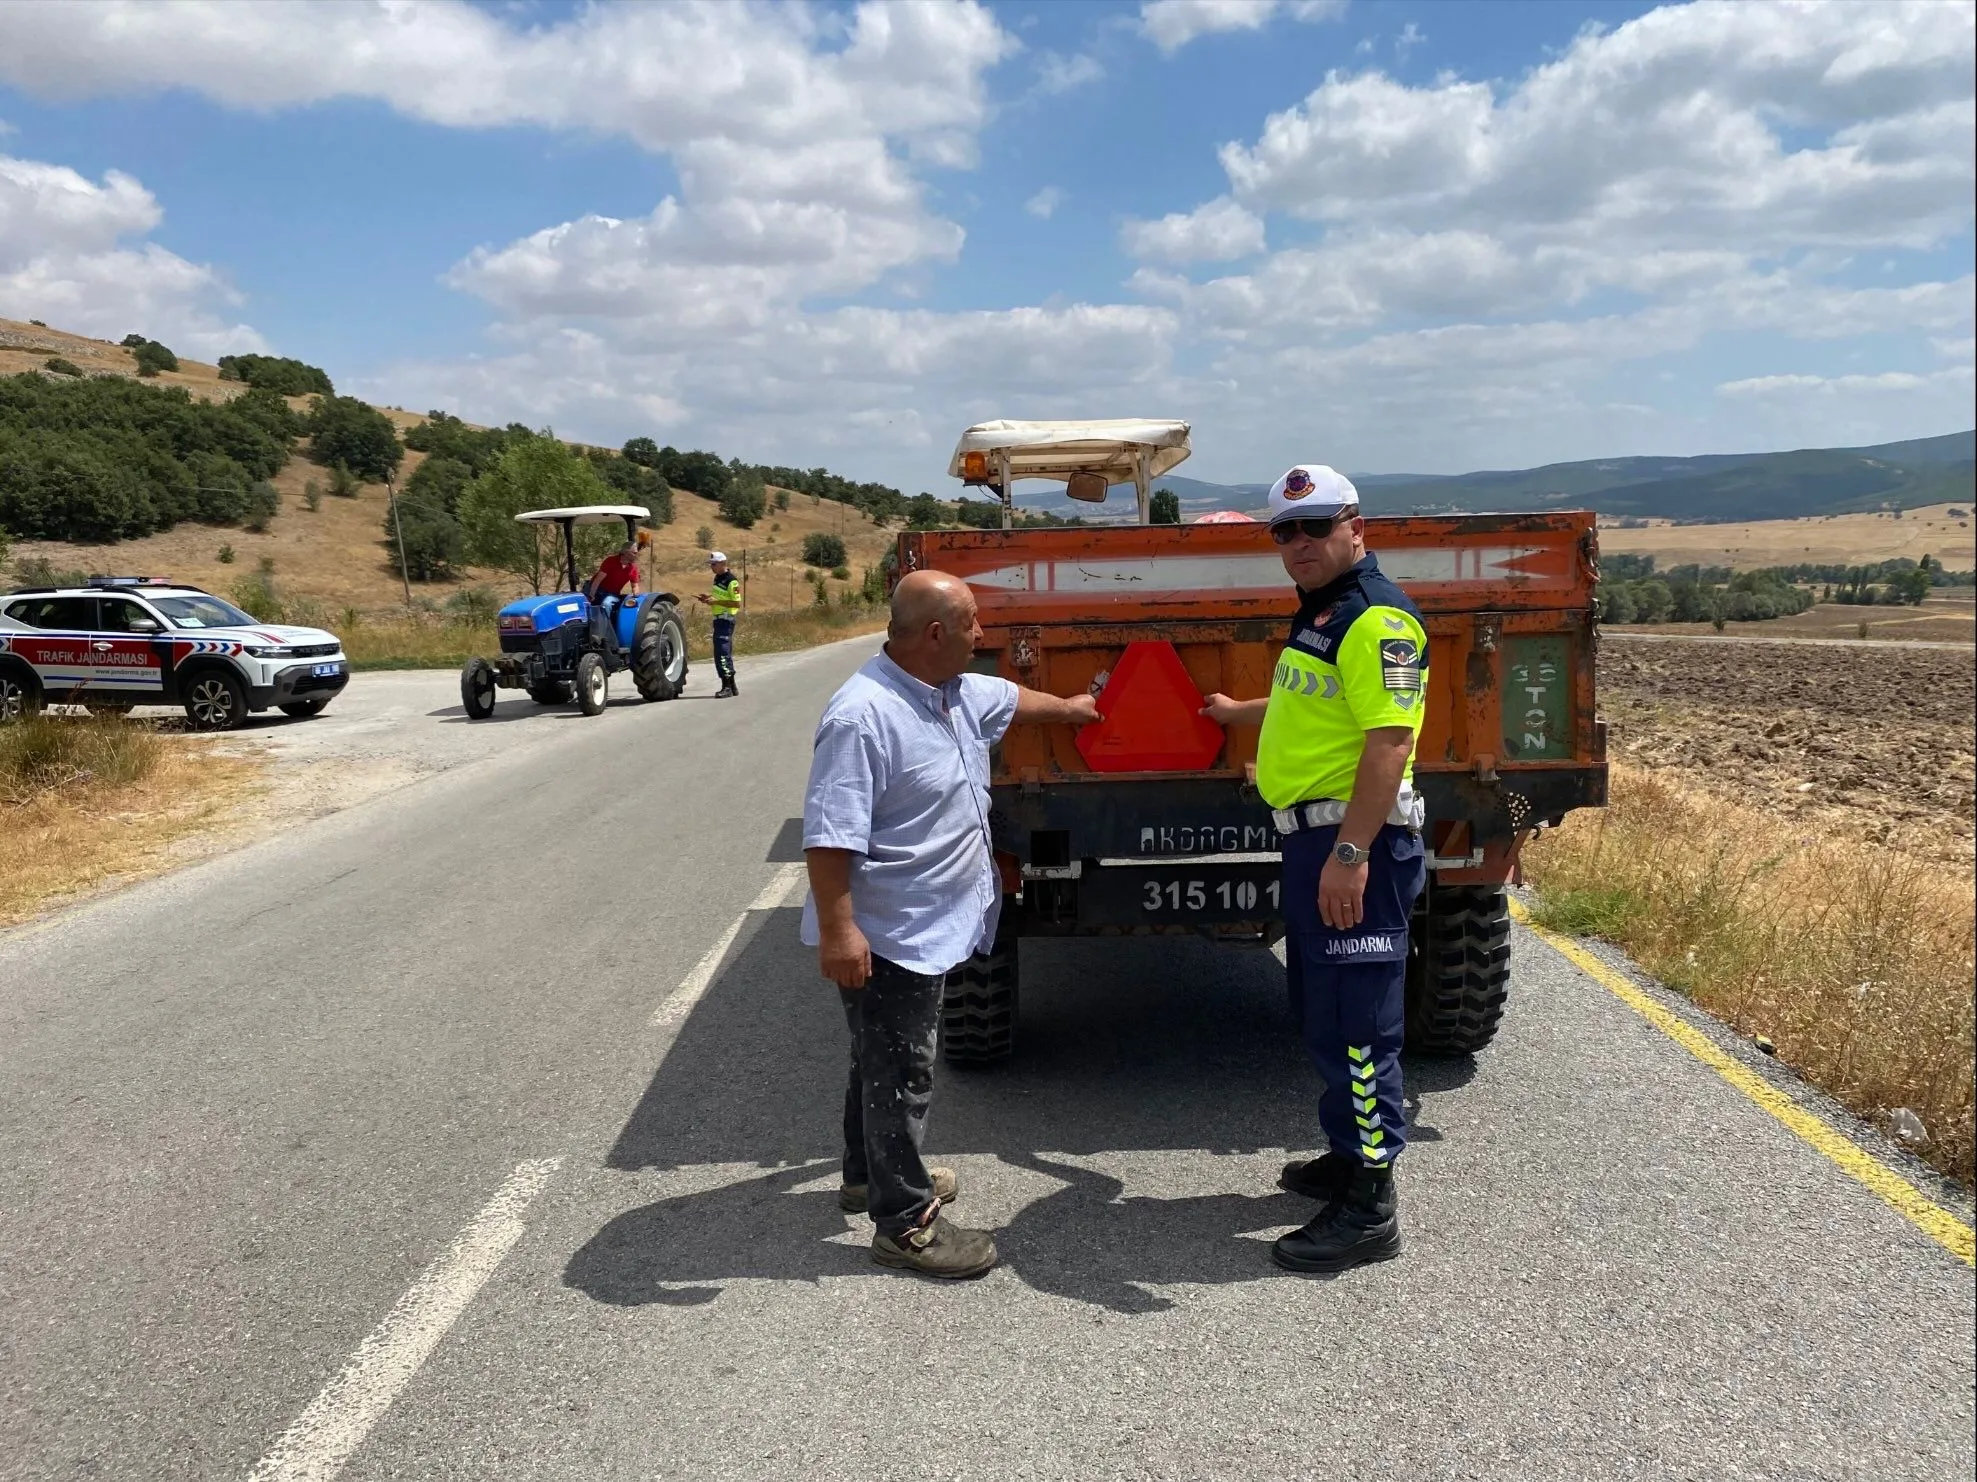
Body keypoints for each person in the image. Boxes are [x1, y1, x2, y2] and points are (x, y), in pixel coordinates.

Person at [802, 570, 1100, 1279]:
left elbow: (1013, 698)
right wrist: (842, 932)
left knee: (875, 1056)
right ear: (934, 633)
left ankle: (863, 1175)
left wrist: (1072, 708)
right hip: (890, 928)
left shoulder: (952, 692)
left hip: (927, 919)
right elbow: (828, 836)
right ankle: (904, 1222)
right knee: (901, 1070)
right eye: (971, 624)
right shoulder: (863, 715)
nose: (982, 636)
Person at [1201, 464, 1430, 1275]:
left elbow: (1388, 741)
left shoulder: (1377, 621)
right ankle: (1348, 1155)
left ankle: (1371, 1205)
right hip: (1315, 840)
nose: (1298, 543)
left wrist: (1350, 854)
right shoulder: (1325, 615)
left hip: (1350, 844)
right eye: (1284, 531)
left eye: (1315, 526)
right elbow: (1321, 705)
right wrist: (1243, 716)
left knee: (1360, 1029)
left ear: (1355, 525)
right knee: (1326, 1015)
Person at [694, 551, 741, 697]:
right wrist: (708, 599)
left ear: (722, 564)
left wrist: (716, 602)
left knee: (722, 653)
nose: (711, 567)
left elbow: (736, 603)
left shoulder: (731, 580)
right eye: (711, 565)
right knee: (723, 652)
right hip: (719, 618)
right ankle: (732, 686)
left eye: (714, 564)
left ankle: (726, 686)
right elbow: (720, 597)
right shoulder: (717, 578)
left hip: (726, 619)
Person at [584, 540, 641, 650]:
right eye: (634, 552)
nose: (636, 555)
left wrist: (636, 595)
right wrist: (591, 595)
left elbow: (635, 586)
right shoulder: (610, 561)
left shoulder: (633, 568)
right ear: (625, 552)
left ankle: (602, 637)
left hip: (612, 594)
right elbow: (597, 580)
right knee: (583, 606)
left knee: (606, 604)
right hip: (597, 589)